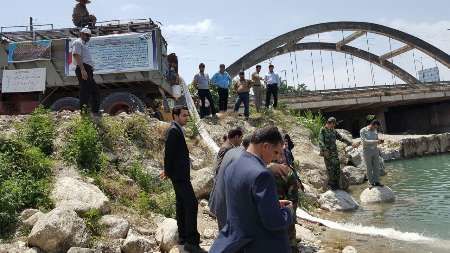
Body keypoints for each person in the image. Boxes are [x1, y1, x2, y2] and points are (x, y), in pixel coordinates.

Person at [210, 126, 294, 253]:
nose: (276, 158)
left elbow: (244, 203)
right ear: (265, 146)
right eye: (276, 152)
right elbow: (273, 221)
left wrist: (272, 204)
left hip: (236, 242)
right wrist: (288, 212)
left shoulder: (234, 165)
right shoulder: (262, 174)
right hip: (259, 245)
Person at [162, 106, 206, 253]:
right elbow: (169, 153)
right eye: (184, 115)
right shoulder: (173, 130)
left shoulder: (176, 128)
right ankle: (191, 242)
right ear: (175, 116)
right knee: (192, 204)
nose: (186, 118)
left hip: (180, 175)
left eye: (187, 115)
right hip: (179, 176)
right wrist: (168, 171)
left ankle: (183, 236)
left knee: (181, 205)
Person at [272, 134, 304, 253]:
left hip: (269, 209)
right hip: (285, 207)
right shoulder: (286, 171)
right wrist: (293, 213)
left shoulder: (260, 168)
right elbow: (293, 197)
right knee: (290, 235)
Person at [318, 117, 355, 190]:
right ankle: (332, 185)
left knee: (337, 167)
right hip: (327, 153)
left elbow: (341, 138)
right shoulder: (323, 130)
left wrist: (351, 143)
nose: (334, 126)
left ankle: (337, 184)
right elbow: (320, 141)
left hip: (334, 153)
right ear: (330, 123)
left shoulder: (333, 131)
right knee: (330, 168)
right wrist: (325, 150)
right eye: (334, 124)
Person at [72, 28, 100, 115]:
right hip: (83, 68)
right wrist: (83, 70)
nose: (88, 37)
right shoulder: (77, 42)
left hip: (87, 69)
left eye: (89, 36)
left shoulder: (84, 44)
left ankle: (94, 112)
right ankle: (84, 112)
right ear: (82, 34)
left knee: (94, 90)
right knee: (85, 91)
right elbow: (76, 55)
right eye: (87, 35)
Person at [360, 120, 384, 189]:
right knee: (369, 167)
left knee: (376, 166)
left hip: (375, 150)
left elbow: (376, 140)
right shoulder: (363, 130)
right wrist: (376, 141)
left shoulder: (375, 130)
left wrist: (379, 141)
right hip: (367, 151)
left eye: (376, 128)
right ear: (372, 125)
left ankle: (377, 181)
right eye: (375, 127)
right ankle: (370, 183)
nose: (375, 129)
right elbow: (364, 142)